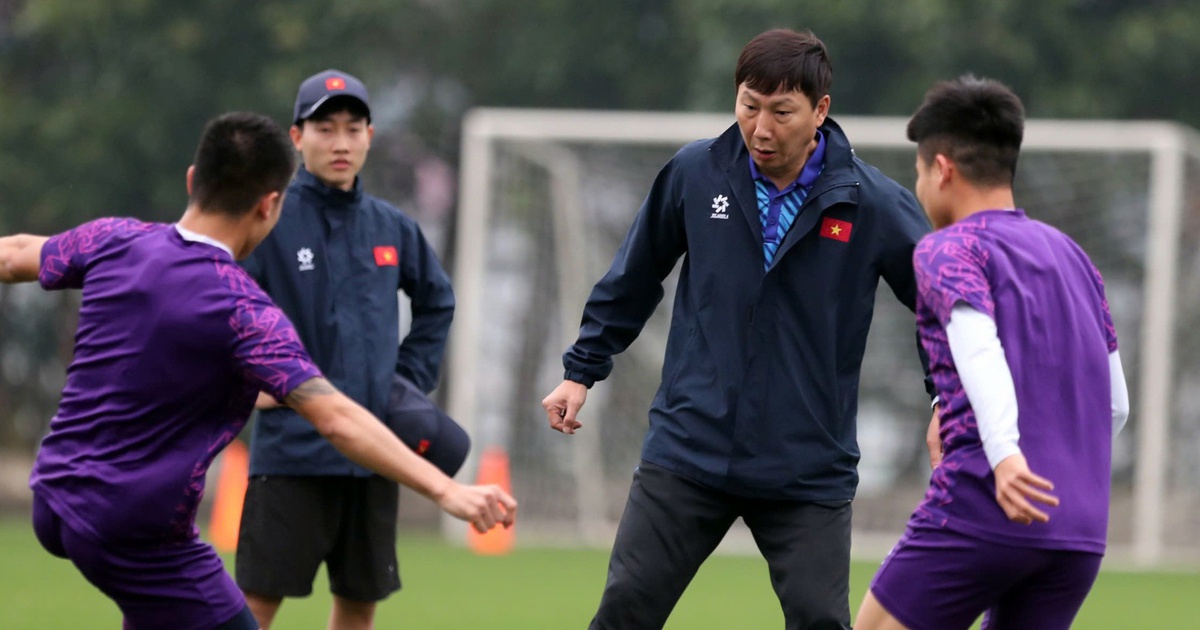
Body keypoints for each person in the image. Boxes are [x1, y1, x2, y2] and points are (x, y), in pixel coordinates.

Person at [0, 111, 516, 630]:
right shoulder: (245, 313)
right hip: (135, 528)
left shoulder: (114, 239)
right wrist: (449, 491)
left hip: (55, 498)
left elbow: (15, 255)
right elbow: (336, 418)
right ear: (270, 205)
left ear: (191, 179)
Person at [541, 29, 933, 630]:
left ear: (820, 110)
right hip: (689, 447)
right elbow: (635, 275)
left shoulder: (871, 202)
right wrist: (581, 371)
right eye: (749, 106)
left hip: (806, 466)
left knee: (820, 621)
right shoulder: (695, 173)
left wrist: (947, 398)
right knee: (624, 612)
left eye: (781, 112)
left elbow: (939, 301)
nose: (761, 128)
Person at [854, 76, 1130, 630]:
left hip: (985, 502)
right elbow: (1116, 402)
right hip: (1077, 526)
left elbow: (978, 347)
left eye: (918, 172)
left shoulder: (947, 248)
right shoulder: (1073, 256)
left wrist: (1005, 457)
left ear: (943, 169)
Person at [234, 70, 469, 630]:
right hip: (292, 453)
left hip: (374, 454)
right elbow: (221, 305)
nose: (340, 142)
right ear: (296, 137)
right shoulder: (268, 219)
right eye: (325, 128)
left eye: (353, 128)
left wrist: (402, 381)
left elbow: (437, 302)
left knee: (359, 606)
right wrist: (250, 381)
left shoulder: (392, 227)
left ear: (370, 135)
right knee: (256, 605)